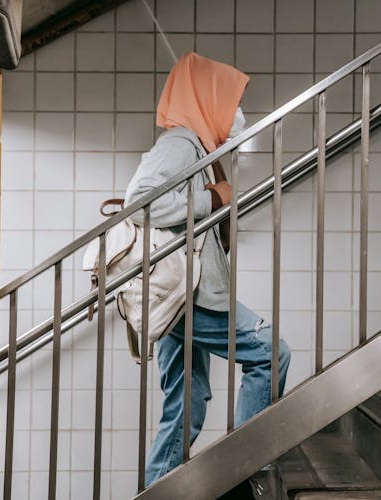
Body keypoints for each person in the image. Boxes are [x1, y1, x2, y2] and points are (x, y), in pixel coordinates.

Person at [124, 52, 291, 487]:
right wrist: (213, 200)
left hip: (182, 296)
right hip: (192, 297)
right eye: (228, 99)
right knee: (272, 354)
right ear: (206, 98)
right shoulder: (180, 143)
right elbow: (140, 202)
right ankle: (246, 469)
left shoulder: (198, 147)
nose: (235, 113)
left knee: (187, 404)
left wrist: (218, 203)